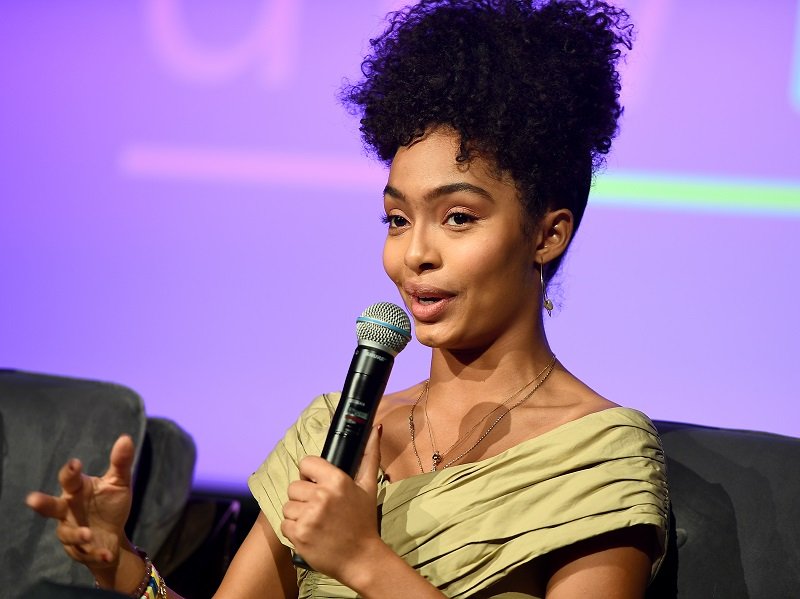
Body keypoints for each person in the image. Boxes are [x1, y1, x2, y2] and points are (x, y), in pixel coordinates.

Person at [27, 1, 669, 597]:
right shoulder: (334, 432)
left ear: (547, 234)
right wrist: (125, 568)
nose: (414, 254)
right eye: (397, 219)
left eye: (458, 217)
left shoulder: (596, 459)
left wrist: (364, 559)